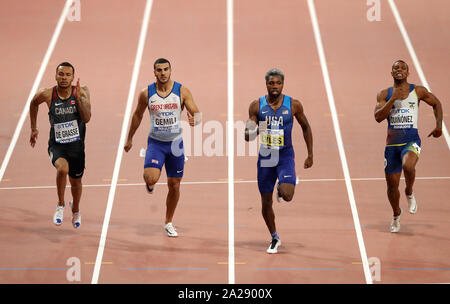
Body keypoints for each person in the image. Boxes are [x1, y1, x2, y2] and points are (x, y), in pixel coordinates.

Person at [124, 58, 201, 237]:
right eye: (159, 70)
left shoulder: (182, 91)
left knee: (174, 185)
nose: (163, 73)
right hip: (156, 143)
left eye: (166, 69)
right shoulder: (146, 93)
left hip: (175, 145)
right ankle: (150, 184)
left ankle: (168, 222)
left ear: (170, 70)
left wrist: (194, 120)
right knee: (150, 178)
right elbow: (137, 115)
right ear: (154, 72)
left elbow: (196, 113)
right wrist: (129, 138)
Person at [245, 68, 313, 254]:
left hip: (284, 156)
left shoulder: (294, 105)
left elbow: (306, 127)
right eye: (271, 83)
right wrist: (259, 127)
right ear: (266, 84)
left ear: (283, 84)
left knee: (287, 195)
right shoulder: (256, 106)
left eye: (278, 83)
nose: (274, 87)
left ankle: (281, 187)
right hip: (266, 158)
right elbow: (246, 136)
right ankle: (274, 237)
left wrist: (310, 154)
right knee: (266, 203)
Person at [374, 60, 443, 233]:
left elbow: (436, 103)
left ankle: (409, 191)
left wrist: (439, 125)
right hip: (391, 146)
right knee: (391, 187)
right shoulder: (384, 94)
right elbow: (378, 117)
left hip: (411, 140)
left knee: (408, 165)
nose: (399, 70)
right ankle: (396, 214)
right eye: (396, 68)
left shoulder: (418, 91)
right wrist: (393, 100)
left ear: (407, 73)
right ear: (391, 73)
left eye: (403, 68)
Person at [29, 62, 91, 229]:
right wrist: (34, 128)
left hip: (77, 147)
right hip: (57, 145)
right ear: (55, 76)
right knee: (62, 169)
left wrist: (79, 101)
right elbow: (33, 104)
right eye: (61, 74)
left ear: (72, 77)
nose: (64, 78)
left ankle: (76, 210)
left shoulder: (82, 92)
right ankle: (60, 204)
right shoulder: (47, 94)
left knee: (76, 181)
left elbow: (87, 118)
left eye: (67, 75)